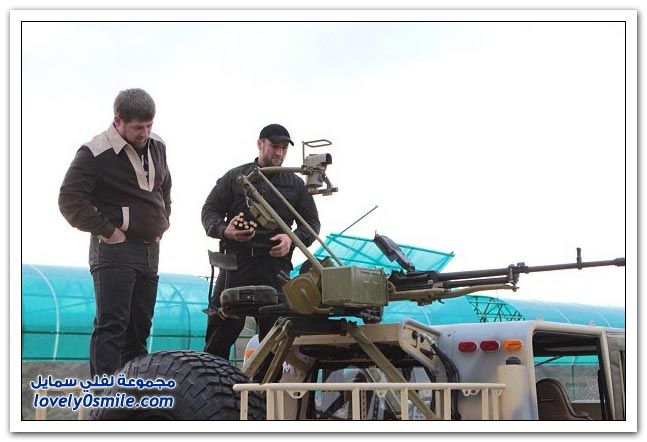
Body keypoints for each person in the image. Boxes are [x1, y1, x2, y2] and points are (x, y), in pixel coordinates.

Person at [58, 88, 172, 377]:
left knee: (139, 330)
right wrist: (109, 231)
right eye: (138, 127)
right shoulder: (94, 153)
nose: (145, 133)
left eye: (149, 126)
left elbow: (165, 186)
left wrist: (163, 221)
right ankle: (104, 396)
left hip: (150, 251)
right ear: (118, 120)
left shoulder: (158, 145)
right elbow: (69, 200)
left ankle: (131, 394)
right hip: (114, 250)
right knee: (112, 327)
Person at [201, 123, 320, 360]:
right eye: (275, 146)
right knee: (220, 332)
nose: (279, 153)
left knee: (275, 339)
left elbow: (312, 225)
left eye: (284, 148)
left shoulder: (296, 184)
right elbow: (209, 211)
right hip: (236, 265)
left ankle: (265, 385)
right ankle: (214, 380)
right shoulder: (236, 177)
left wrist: (291, 239)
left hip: (275, 267)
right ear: (260, 144)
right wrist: (226, 231)